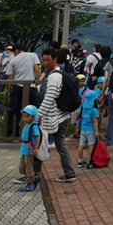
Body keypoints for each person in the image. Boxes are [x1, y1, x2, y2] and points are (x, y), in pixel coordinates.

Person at [37, 48, 76, 183]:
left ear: (55, 60)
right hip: (64, 116)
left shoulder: (54, 76)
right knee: (61, 145)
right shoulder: (60, 73)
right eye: (44, 60)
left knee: (39, 144)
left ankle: (32, 175)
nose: (45, 63)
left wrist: (38, 115)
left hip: (54, 118)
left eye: (48, 60)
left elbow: (49, 98)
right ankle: (70, 173)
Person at [6, 43, 41, 136]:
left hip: (17, 87)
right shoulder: (33, 55)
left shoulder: (13, 60)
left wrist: (9, 91)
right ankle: (35, 129)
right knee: (34, 108)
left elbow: (10, 77)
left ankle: (14, 131)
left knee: (15, 109)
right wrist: (40, 82)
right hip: (30, 87)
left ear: (16, 50)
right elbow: (37, 69)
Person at [77, 78, 103, 167]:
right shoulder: (94, 110)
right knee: (91, 145)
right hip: (91, 130)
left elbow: (80, 117)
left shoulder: (83, 108)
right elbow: (95, 121)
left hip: (83, 129)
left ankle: (80, 161)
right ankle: (91, 160)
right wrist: (97, 132)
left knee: (81, 145)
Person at [16, 104, 42, 192]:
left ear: (33, 117)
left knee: (29, 167)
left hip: (29, 150)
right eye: (23, 117)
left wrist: (36, 148)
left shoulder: (34, 126)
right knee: (21, 168)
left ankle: (31, 184)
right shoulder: (27, 125)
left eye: (27, 117)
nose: (24, 119)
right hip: (24, 149)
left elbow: (38, 136)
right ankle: (34, 178)